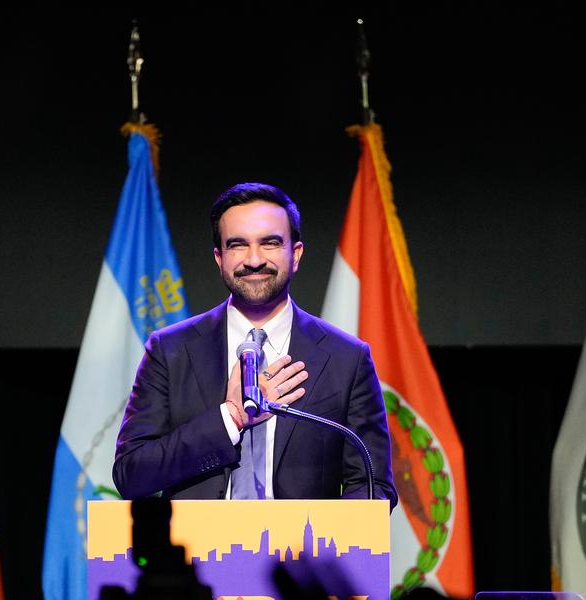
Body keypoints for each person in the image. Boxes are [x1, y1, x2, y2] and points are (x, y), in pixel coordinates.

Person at [112, 182, 397, 506]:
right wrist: (230, 418)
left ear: (296, 254)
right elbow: (131, 475)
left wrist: (319, 541)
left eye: (270, 243)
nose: (255, 259)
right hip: (194, 554)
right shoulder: (170, 351)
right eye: (238, 245)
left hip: (303, 554)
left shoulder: (346, 359)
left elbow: (373, 487)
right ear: (219, 258)